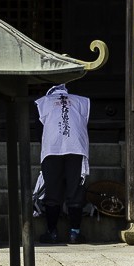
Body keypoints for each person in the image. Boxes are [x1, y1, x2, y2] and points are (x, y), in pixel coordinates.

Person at [35, 83, 90, 243]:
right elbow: (84, 124)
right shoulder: (82, 101)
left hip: (52, 149)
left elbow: (40, 132)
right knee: (75, 191)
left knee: (52, 192)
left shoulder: (41, 102)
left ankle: (51, 232)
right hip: (77, 149)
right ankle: (75, 233)